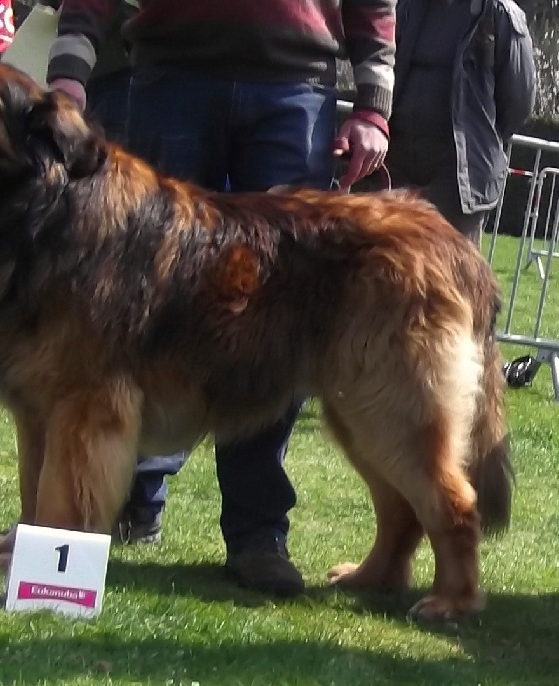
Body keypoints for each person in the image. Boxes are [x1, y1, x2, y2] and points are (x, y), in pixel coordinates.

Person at [47, 0, 395, 596]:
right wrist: (68, 70)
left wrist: (373, 107)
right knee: (138, 305)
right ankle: (125, 502)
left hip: (293, 86)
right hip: (171, 75)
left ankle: (258, 533)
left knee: (275, 317)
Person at [384, 0, 535, 244]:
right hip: (396, 164)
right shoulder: (408, 6)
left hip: (458, 176)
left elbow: (518, 102)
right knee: (387, 258)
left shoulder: (500, 14)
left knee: (449, 262)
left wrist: (478, 140)